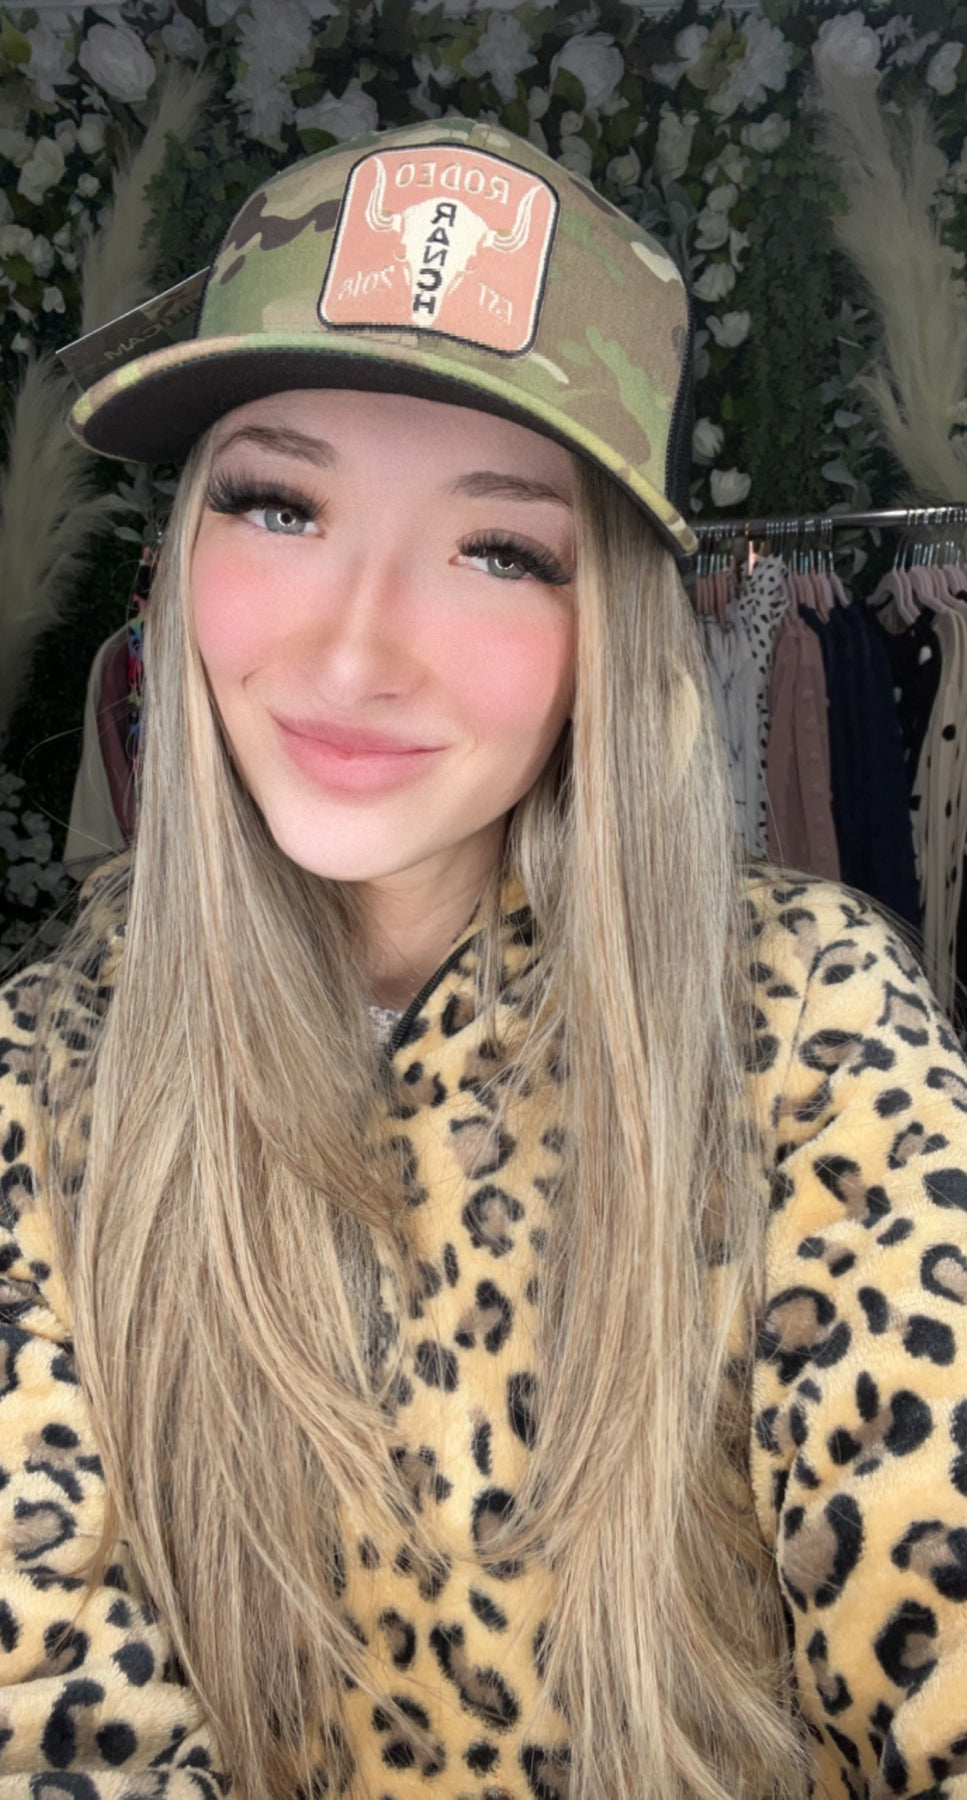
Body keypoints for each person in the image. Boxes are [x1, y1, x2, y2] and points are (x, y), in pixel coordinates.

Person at [1, 116, 966, 1800]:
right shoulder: (44, 1074)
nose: (353, 652)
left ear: (613, 631)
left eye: (499, 548)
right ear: (180, 555)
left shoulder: (806, 1026)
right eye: (280, 504)